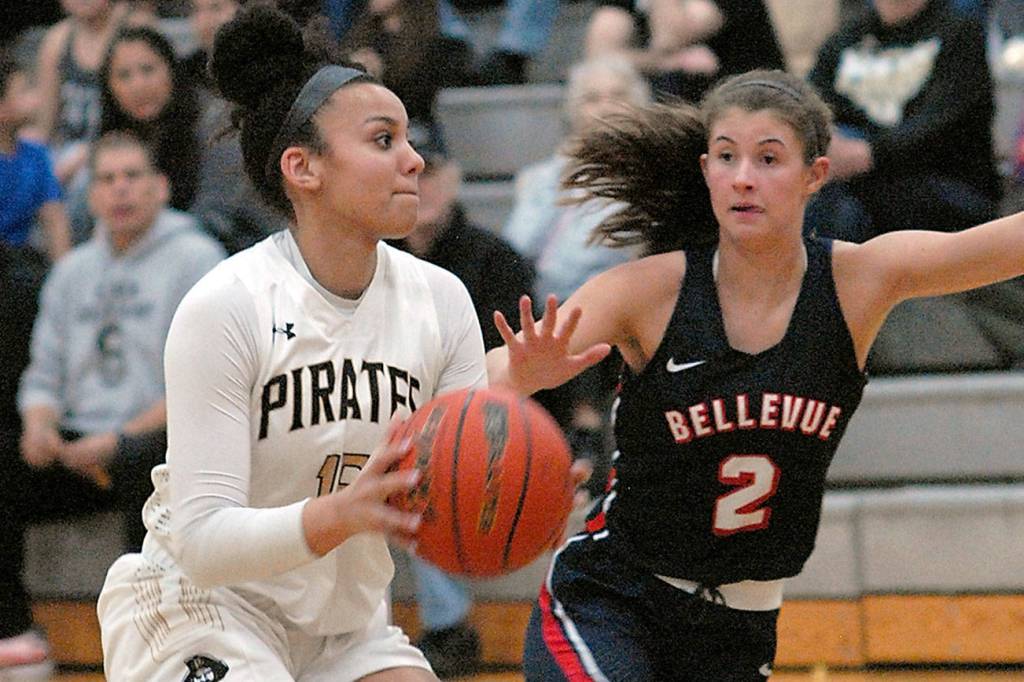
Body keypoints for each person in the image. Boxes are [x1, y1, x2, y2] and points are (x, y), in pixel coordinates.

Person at [480, 68, 1024, 679]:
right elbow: (490, 372)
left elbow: (1007, 244)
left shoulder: (859, 282)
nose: (743, 177)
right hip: (612, 600)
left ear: (815, 175)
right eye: (726, 157)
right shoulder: (648, 291)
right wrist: (522, 371)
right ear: (706, 170)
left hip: (739, 628)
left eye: (768, 158)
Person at [95, 5, 575, 680]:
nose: (414, 159)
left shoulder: (441, 299)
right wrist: (336, 515)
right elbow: (202, 541)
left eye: (409, 139)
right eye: (383, 140)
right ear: (303, 168)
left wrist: (526, 490)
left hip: (343, 623)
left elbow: (454, 465)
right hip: (201, 604)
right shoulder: (226, 305)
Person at [1, 130, 223, 679]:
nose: (120, 189)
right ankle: (13, 630)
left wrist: (118, 439)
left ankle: (162, 650)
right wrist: (39, 424)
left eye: (132, 176)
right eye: (106, 179)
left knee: (142, 459)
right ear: (91, 194)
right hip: (77, 439)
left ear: (160, 186)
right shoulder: (71, 271)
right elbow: (43, 373)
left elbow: (206, 380)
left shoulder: (199, 259)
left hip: (157, 438)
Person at [394, 137, 534, 678]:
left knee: (428, 464)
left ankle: (449, 627)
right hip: (390, 414)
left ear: (455, 180)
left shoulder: (496, 258)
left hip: (485, 418)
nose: (421, 185)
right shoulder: (367, 260)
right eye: (413, 172)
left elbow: (520, 365)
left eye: (432, 172)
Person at [804, 0, 1001, 243]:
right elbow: (809, 103)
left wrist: (868, 154)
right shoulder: (849, 36)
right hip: (857, 179)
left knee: (843, 206)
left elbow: (943, 125)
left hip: (937, 180)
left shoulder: (959, 30)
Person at [584, 0, 785, 102]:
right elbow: (598, 57)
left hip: (747, 99)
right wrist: (667, 62)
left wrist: (663, 58)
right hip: (671, 111)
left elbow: (670, 37)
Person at [0, 49, 71, 262]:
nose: (37, 98)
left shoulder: (36, 155)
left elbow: (55, 220)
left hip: (19, 263)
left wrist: (64, 273)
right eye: (24, 91)